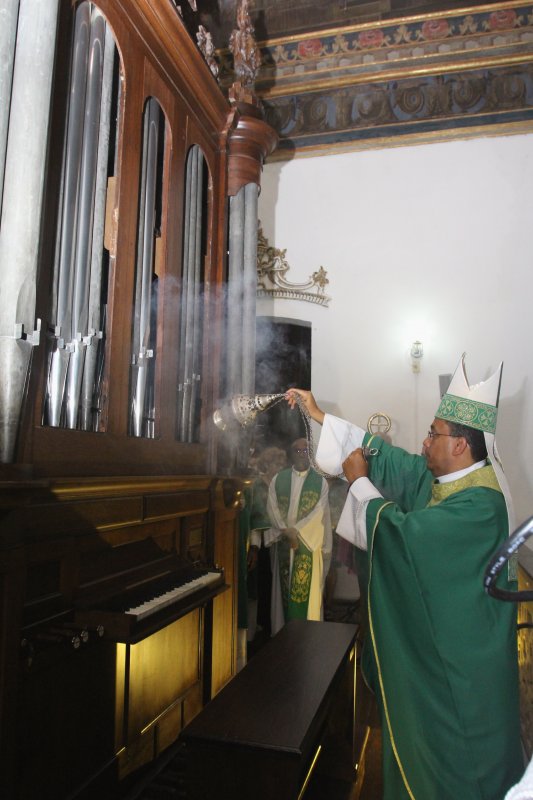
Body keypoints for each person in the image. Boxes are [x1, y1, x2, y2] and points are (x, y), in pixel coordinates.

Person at [286, 354, 523, 800]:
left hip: (459, 673)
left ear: (460, 445)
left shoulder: (481, 504)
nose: (424, 441)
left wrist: (358, 484)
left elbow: (404, 538)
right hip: (442, 649)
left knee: (458, 773)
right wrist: (318, 416)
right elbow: (388, 458)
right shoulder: (445, 480)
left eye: (434, 434)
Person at [263, 437, 332, 636]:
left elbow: (319, 513)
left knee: (307, 598)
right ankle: (282, 637)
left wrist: (297, 532)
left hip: (307, 546)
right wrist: (285, 530)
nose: (301, 454)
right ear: (291, 453)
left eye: (305, 451)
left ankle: (307, 639)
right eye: (297, 450)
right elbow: (272, 507)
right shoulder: (278, 479)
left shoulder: (320, 483)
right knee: (281, 599)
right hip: (284, 544)